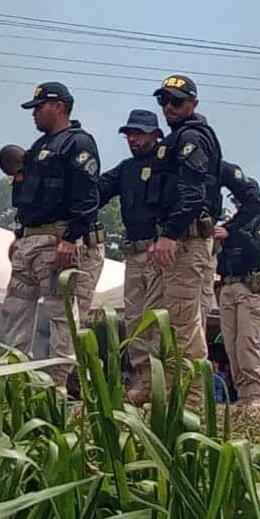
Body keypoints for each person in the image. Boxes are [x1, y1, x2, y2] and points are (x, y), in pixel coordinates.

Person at [2, 82, 104, 390]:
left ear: (58, 106)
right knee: (16, 307)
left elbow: (87, 195)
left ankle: (58, 381)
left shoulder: (78, 143)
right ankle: (15, 378)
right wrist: (19, 234)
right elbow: (27, 196)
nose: (34, 115)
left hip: (57, 238)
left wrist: (71, 238)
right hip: (29, 240)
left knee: (61, 312)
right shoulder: (37, 149)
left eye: (39, 107)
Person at [149, 73, 223, 407]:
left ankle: (192, 400)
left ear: (193, 103)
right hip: (181, 239)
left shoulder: (191, 137)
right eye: (163, 100)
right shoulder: (177, 138)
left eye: (176, 101)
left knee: (182, 321)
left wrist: (170, 234)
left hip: (186, 239)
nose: (168, 107)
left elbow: (192, 194)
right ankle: (175, 392)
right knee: (175, 320)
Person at [96, 109, 166, 400]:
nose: (133, 139)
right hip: (133, 252)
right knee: (135, 318)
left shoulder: (168, 164)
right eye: (129, 134)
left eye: (139, 133)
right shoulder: (125, 169)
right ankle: (143, 382)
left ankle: (164, 382)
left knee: (159, 320)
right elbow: (96, 191)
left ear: (155, 134)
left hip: (159, 250)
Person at [213, 164, 260, 407]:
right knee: (231, 343)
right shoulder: (230, 223)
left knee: (246, 343)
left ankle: (253, 395)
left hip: (250, 289)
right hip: (228, 287)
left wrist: (233, 232)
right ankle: (241, 392)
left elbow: (259, 252)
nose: (237, 203)